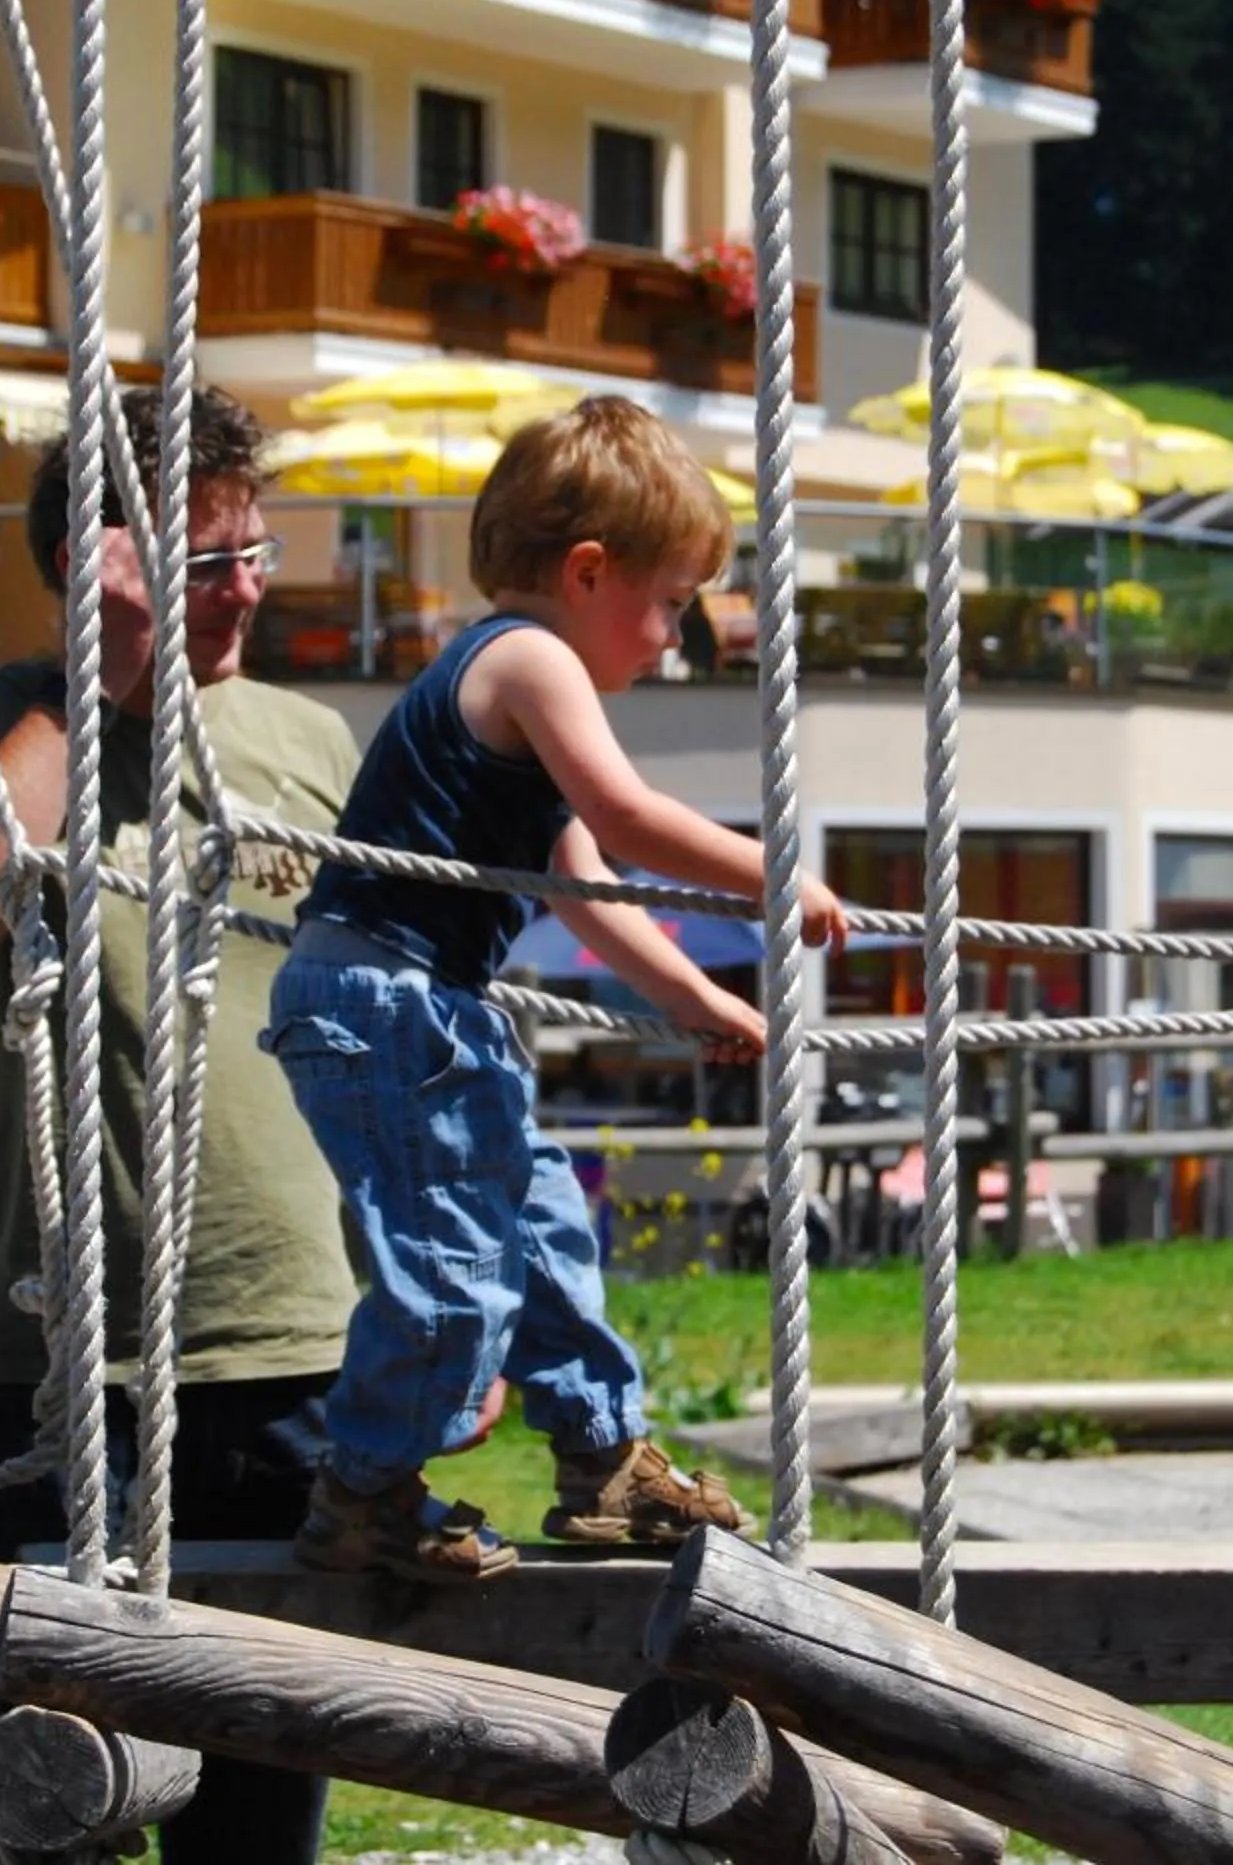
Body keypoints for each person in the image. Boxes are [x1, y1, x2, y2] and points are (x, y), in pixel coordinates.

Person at [0, 387, 361, 1865]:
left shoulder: (313, 742)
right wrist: (98, 681)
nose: (253, 587)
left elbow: (397, 1040)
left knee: (259, 1820)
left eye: (259, 550)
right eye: (210, 562)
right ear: (100, 569)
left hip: (282, 1355)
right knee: (32, 1811)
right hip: (42, 1371)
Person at [263, 395, 845, 1586]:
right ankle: (364, 1490)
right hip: (391, 1002)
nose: (673, 638)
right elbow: (630, 821)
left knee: (542, 1232)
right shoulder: (527, 657)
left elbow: (582, 886)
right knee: (453, 1276)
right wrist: (777, 874)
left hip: (431, 1007)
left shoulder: (514, 690)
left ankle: (600, 1456)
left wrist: (695, 997)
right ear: (589, 572)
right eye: (671, 601)